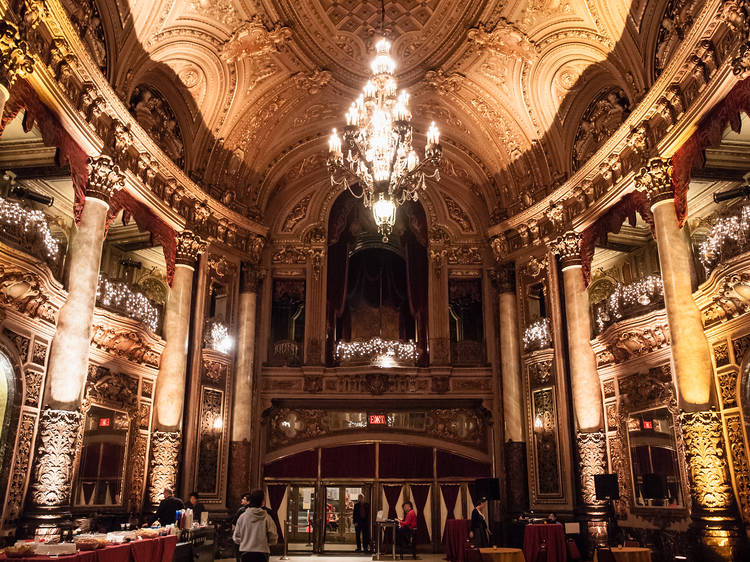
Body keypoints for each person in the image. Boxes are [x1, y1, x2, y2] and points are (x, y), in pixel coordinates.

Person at [233, 489, 278, 562]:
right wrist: (267, 543)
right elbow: (273, 535)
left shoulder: (242, 517)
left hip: (245, 552)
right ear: (262, 502)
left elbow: (236, 537)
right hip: (262, 552)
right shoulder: (267, 517)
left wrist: (245, 542)